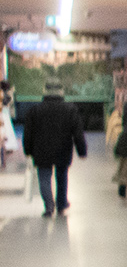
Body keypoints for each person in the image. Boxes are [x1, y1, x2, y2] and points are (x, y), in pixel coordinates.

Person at [22, 79, 88, 218]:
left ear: (45, 91)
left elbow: (28, 132)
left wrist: (27, 150)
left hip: (41, 150)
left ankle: (49, 206)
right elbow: (78, 132)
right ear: (61, 91)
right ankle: (61, 204)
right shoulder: (70, 109)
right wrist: (82, 150)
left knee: (44, 178)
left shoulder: (35, 110)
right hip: (63, 149)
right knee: (62, 176)